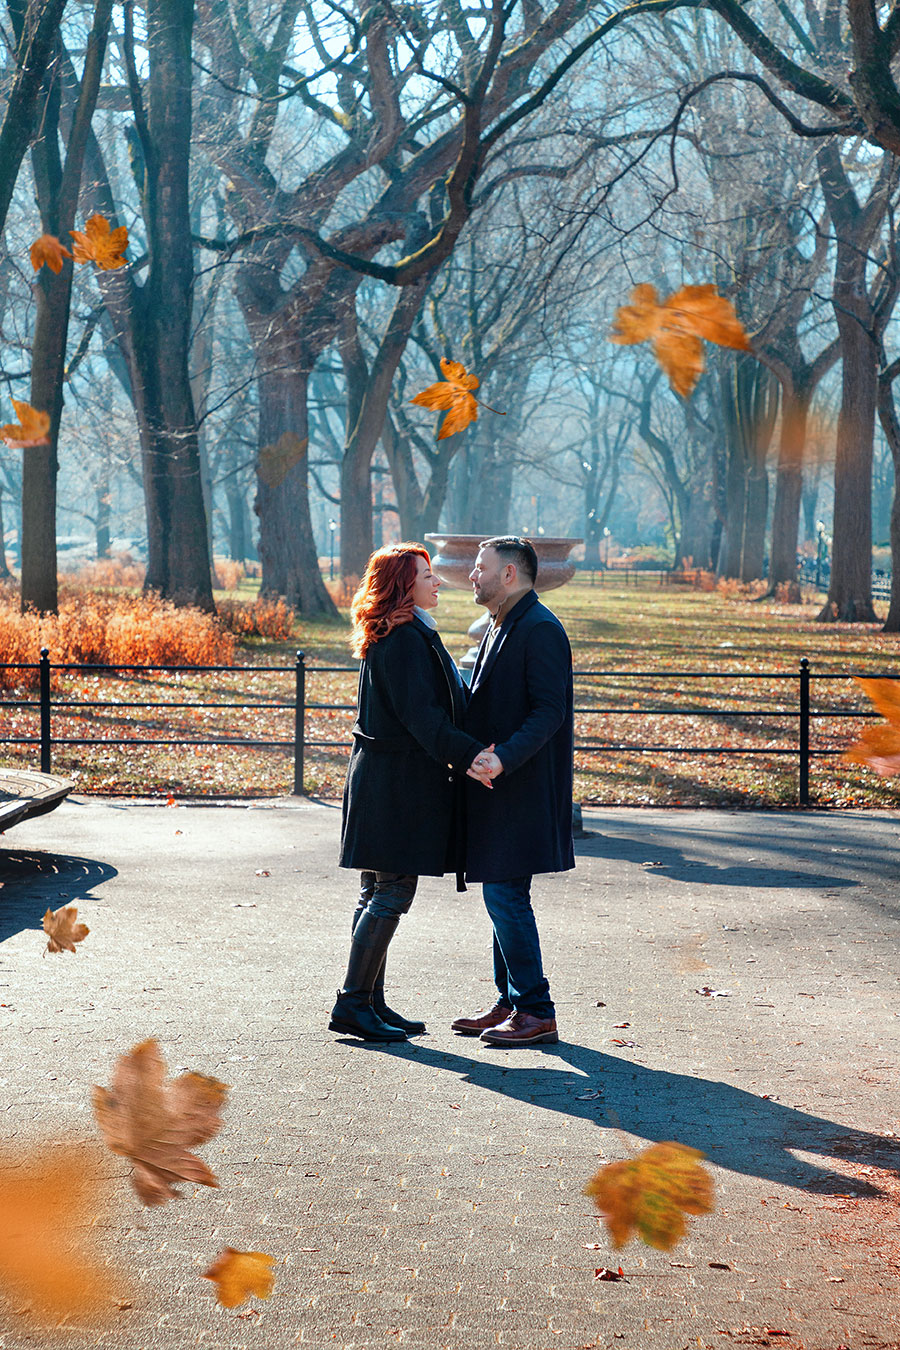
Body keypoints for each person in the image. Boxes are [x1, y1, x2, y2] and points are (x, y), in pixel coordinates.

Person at [332, 543, 490, 1043]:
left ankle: (369, 1003)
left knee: (376, 891)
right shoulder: (403, 640)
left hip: (383, 780)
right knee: (392, 891)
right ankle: (354, 1003)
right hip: (393, 785)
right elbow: (423, 719)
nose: (437, 581)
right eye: (426, 575)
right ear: (404, 585)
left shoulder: (402, 633)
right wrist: (471, 756)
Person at [453, 535, 575, 1047]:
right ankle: (511, 1002)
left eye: (480, 568)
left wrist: (501, 757)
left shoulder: (540, 628)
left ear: (509, 574)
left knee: (504, 894)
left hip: (520, 787)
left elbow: (549, 711)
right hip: (500, 787)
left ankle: (536, 1009)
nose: (472, 575)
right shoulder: (506, 622)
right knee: (503, 891)